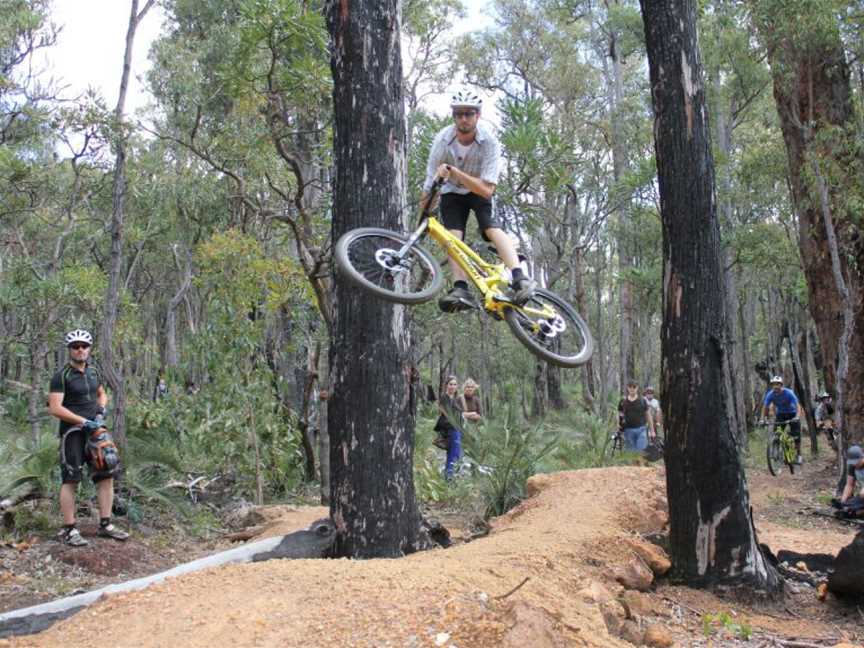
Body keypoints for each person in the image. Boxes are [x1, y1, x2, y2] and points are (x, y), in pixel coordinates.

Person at [421, 88, 535, 313]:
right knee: (452, 236)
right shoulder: (442, 140)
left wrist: (454, 172)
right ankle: (460, 288)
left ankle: (519, 277)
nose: (464, 118)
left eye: (469, 114)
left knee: (489, 226)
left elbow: (487, 190)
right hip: (452, 193)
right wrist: (422, 218)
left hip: (479, 189)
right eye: (459, 114)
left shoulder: (489, 142)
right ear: (453, 116)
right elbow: (429, 184)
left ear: (478, 116)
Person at [48, 329, 128, 546]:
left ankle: (105, 524)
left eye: (84, 346)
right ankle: (70, 529)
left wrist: (101, 410)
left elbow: (102, 393)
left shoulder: (94, 372)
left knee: (106, 474)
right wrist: (82, 421)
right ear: (70, 350)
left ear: (89, 349)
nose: (80, 349)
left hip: (96, 433)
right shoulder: (61, 376)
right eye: (75, 346)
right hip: (73, 434)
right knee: (71, 478)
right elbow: (55, 408)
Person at [761, 375, 804, 465]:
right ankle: (776, 450)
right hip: (781, 414)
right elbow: (765, 407)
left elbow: (798, 405)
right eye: (773, 384)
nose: (775, 387)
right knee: (777, 432)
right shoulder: (770, 394)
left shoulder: (789, 393)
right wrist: (763, 418)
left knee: (796, 436)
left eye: (777, 384)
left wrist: (797, 416)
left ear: (781, 385)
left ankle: (799, 455)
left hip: (792, 413)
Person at [434, 376, 464, 479]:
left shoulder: (456, 399)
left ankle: (449, 477)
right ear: (446, 385)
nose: (452, 386)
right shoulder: (444, 398)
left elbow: (461, 413)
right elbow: (447, 414)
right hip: (450, 428)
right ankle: (449, 477)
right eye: (450, 384)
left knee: (455, 453)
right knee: (454, 453)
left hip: (457, 428)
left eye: (455, 384)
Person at [618, 380, 656, 452]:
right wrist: (619, 427)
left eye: (634, 387)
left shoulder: (642, 401)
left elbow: (648, 416)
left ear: (637, 388)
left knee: (642, 452)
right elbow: (620, 415)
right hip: (628, 431)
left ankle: (642, 463)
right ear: (627, 388)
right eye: (630, 386)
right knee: (631, 455)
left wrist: (652, 431)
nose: (632, 389)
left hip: (641, 430)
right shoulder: (623, 401)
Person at [836, 445, 864, 517]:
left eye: (856, 462)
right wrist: (843, 501)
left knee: (861, 496)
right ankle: (850, 510)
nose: (855, 464)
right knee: (850, 504)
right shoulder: (853, 466)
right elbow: (849, 485)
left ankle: (855, 510)